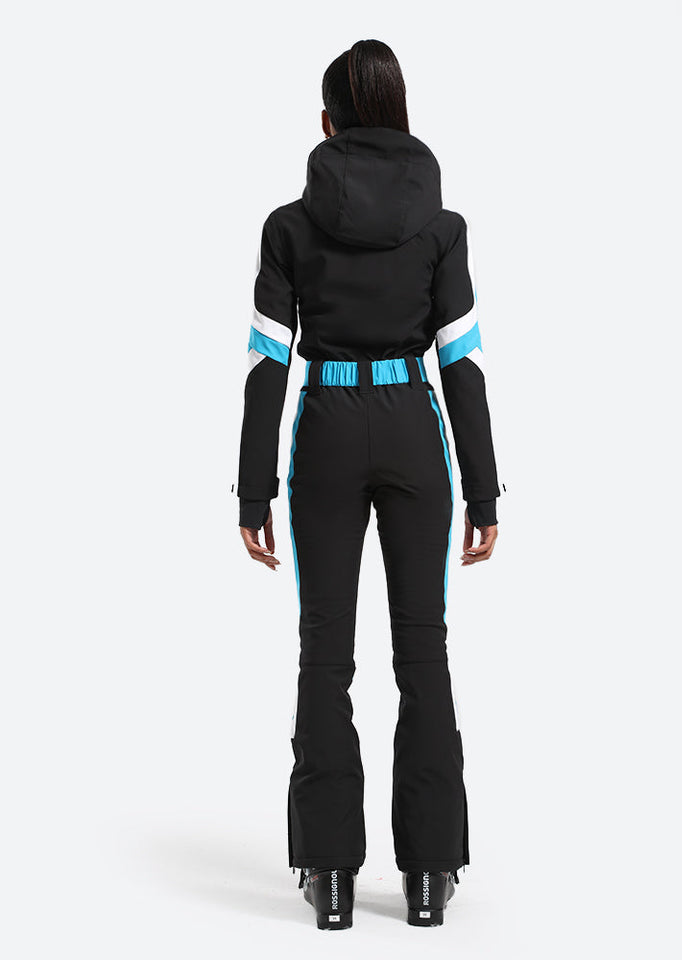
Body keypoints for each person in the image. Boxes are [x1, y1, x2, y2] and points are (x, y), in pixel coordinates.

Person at [233, 39, 504, 929]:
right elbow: (461, 364)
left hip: (325, 431)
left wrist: (254, 490)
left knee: (325, 653)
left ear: (327, 124)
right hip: (416, 430)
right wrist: (484, 489)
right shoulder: (442, 227)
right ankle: (429, 874)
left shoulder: (288, 226)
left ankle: (330, 875)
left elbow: (268, 364)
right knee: (423, 650)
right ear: (400, 114)